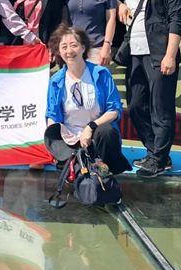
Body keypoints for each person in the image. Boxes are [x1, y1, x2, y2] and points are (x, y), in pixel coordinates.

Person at [114, 0, 181, 178]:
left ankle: (159, 158)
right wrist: (119, 3)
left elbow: (177, 20)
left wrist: (170, 55)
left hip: (159, 54)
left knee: (160, 108)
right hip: (134, 54)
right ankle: (154, 151)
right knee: (136, 105)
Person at [45, 24, 131, 174]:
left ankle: (105, 168)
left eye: (74, 45)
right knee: (76, 171)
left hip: (96, 135)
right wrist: (55, 140)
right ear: (58, 51)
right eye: (64, 47)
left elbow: (114, 110)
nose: (69, 51)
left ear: (83, 48)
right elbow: (52, 116)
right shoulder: (56, 81)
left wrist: (90, 128)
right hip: (70, 139)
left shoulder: (101, 74)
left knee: (107, 131)